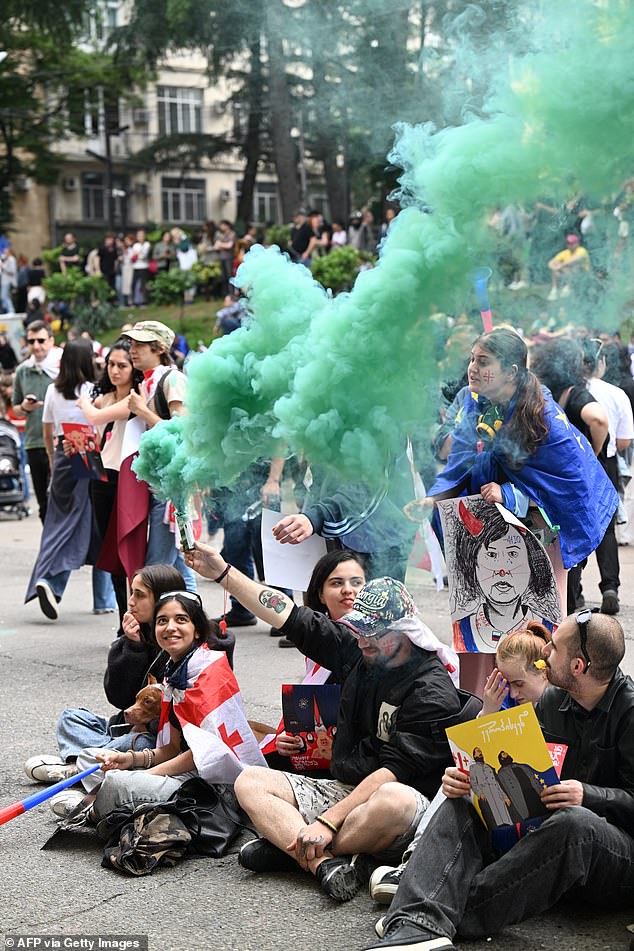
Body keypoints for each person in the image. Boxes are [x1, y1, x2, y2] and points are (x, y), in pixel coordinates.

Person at [184, 542, 470, 903]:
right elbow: (289, 615)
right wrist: (225, 574)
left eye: (373, 633)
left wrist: (327, 822)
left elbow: (393, 772)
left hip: (398, 801)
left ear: (403, 634)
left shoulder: (431, 691)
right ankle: (322, 862)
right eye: (357, 629)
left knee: (392, 801)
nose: (361, 638)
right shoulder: (358, 647)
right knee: (250, 780)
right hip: (345, 788)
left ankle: (290, 849)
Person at [366, 612, 634, 951]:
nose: (544, 654)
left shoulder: (629, 711)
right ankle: (418, 925)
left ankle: (438, 914)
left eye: (553, 648)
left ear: (579, 666)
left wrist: (589, 796)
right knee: (465, 795)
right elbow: (516, 766)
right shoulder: (552, 702)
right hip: (548, 840)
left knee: (577, 824)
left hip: (613, 857)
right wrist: (468, 777)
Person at [414, 327, 618, 693]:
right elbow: (457, 463)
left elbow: (570, 485)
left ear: (510, 371)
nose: (472, 368)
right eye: (472, 359)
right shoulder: (474, 404)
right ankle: (479, 711)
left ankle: (538, 716)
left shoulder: (546, 417)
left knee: (532, 637)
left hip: (539, 539)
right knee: (478, 632)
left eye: (483, 361)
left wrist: (512, 496)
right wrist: (434, 499)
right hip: (483, 538)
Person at [369, 621, 551, 904]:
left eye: (519, 684)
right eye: (506, 683)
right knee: (458, 776)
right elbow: (474, 756)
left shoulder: (559, 707)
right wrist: (489, 711)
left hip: (540, 816)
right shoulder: (504, 702)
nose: (513, 693)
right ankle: (414, 862)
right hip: (503, 810)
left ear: (544, 673)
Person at [50, 590, 258, 820]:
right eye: (162, 621)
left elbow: (205, 755)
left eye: (181, 620)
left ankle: (92, 811)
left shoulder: (207, 672)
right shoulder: (176, 670)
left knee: (120, 782)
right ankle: (107, 798)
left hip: (218, 786)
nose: (170, 627)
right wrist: (130, 759)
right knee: (95, 757)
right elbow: (172, 748)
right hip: (187, 769)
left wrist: (146, 775)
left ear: (197, 629)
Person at [24, 565, 187, 784]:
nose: (131, 602)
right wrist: (132, 646)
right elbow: (118, 698)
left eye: (140, 595)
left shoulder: (179, 642)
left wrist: (146, 724)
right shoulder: (138, 635)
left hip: (156, 737)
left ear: (162, 600)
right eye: (132, 593)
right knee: (71, 717)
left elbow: (184, 719)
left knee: (137, 743)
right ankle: (86, 764)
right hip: (126, 723)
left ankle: (81, 767)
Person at [25, 340, 97, 619]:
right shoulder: (92, 390)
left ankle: (48, 582)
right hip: (88, 455)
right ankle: (99, 598)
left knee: (57, 525)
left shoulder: (53, 390)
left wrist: (54, 460)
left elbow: (47, 431)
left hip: (63, 455)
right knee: (87, 526)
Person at [450, 498, 557, 652]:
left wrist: (509, 494)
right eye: (492, 555)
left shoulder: (548, 630)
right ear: (473, 565)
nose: (502, 570)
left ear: (531, 562)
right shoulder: (463, 632)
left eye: (513, 554)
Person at [11, 321, 62, 522]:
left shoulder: (63, 367)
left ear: (51, 340)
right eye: (32, 341)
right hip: (34, 441)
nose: (36, 345)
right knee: (43, 504)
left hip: (60, 442)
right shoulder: (23, 370)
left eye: (41, 340)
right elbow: (15, 407)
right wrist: (24, 407)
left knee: (61, 501)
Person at [547, 233, 590, 300]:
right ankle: (555, 289)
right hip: (568, 274)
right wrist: (555, 267)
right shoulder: (564, 253)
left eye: (572, 243)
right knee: (556, 271)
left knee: (575, 266)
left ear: (577, 243)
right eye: (568, 243)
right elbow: (550, 263)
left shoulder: (582, 250)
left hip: (583, 275)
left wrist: (561, 265)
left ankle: (568, 287)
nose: (570, 245)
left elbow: (576, 259)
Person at [213, 220, 237, 296]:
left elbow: (229, 245)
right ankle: (225, 294)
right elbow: (216, 246)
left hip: (229, 258)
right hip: (222, 257)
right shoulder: (220, 235)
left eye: (222, 225)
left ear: (227, 225)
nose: (221, 227)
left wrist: (221, 245)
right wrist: (223, 245)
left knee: (230, 275)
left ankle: (231, 293)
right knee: (223, 277)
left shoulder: (232, 234)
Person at [131, 229, 151, 306]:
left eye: (142, 235)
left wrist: (137, 254)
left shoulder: (147, 244)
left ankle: (144, 301)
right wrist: (138, 254)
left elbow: (143, 256)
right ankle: (135, 301)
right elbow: (132, 256)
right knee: (134, 285)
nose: (140, 237)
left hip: (143, 267)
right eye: (139, 235)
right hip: (136, 267)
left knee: (143, 285)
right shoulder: (135, 245)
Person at [0, 245, 17, 313]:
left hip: (9, 281)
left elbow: (13, 271)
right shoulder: (3, 259)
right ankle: (7, 310)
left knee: (4, 296)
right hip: (3, 281)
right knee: (5, 296)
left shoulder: (12, 259)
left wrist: (3, 268)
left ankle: (11, 310)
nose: (5, 253)